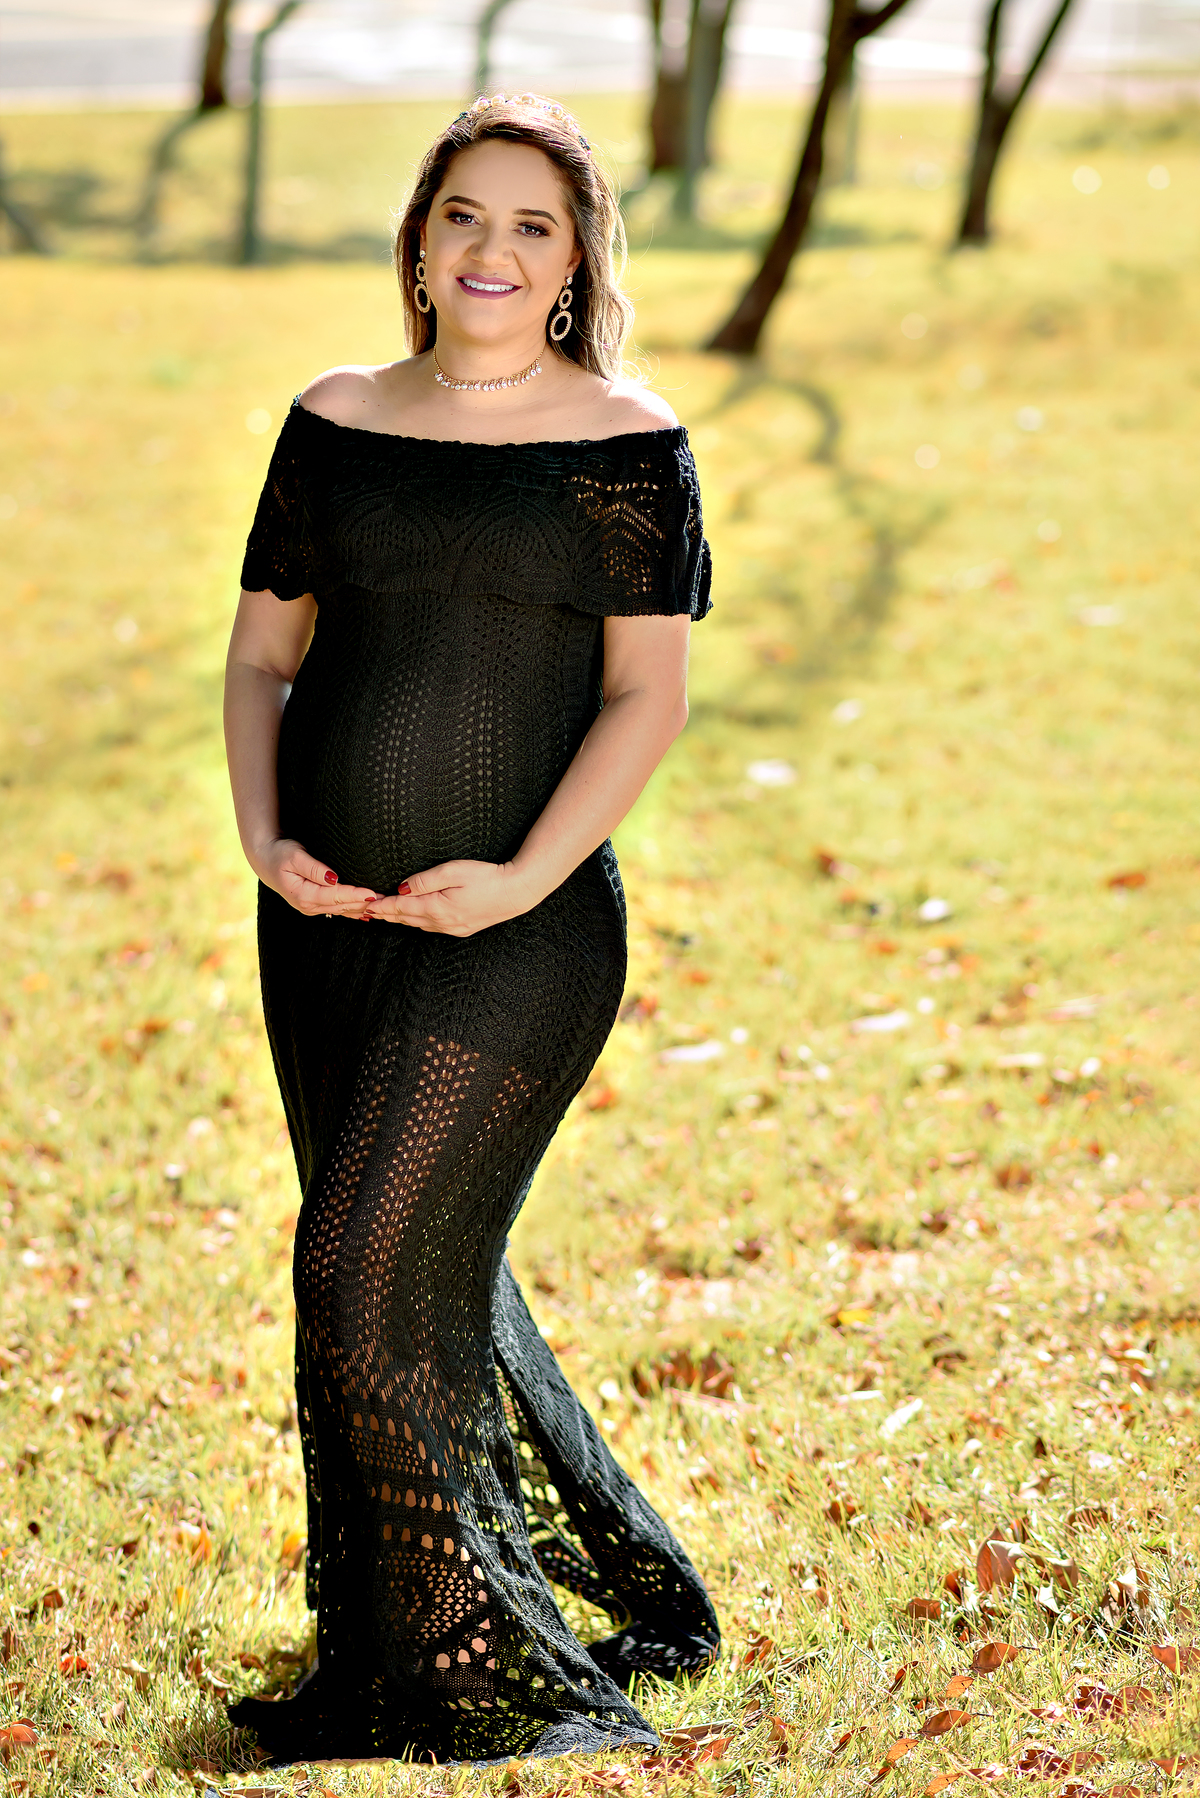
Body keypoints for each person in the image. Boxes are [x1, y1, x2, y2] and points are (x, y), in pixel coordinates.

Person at [222, 92, 718, 1767]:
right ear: (419, 242)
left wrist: (520, 876)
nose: (491, 250)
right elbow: (263, 659)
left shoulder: (626, 441)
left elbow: (646, 697)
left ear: (575, 261)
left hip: (524, 931)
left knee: (360, 1260)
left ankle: (466, 1654)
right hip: (327, 923)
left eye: (531, 224)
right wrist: (266, 841)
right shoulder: (337, 417)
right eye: (462, 216)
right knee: (411, 1270)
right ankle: (410, 1623)